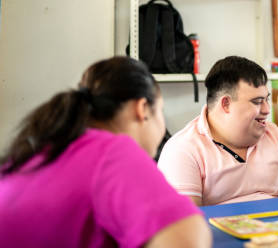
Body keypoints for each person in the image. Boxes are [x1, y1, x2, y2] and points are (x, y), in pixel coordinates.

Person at [0, 56, 212, 248]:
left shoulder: (45, 147)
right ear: (142, 109)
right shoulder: (113, 152)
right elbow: (187, 238)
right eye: (161, 110)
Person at [158, 56, 278, 206]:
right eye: (257, 102)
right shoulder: (182, 150)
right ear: (226, 104)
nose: (267, 110)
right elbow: (186, 222)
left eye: (266, 99)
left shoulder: (275, 135)